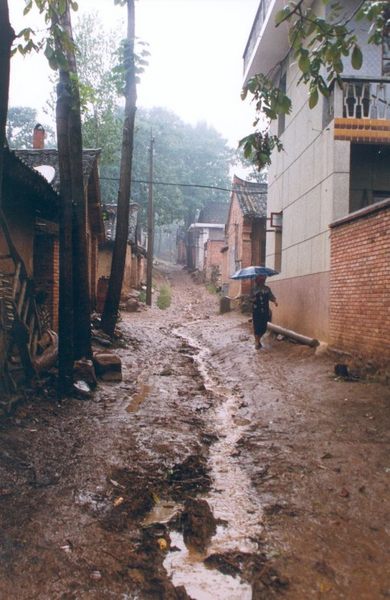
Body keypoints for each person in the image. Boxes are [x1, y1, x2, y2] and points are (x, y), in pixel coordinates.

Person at [250, 275, 278, 349]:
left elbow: (271, 296)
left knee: (264, 327)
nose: (262, 281)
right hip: (256, 311)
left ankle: (258, 340)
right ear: (257, 280)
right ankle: (257, 341)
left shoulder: (267, 289)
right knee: (257, 326)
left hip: (265, 310)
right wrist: (253, 300)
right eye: (260, 280)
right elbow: (249, 298)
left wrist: (275, 301)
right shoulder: (253, 289)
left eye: (263, 280)